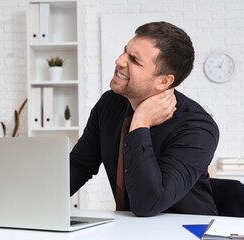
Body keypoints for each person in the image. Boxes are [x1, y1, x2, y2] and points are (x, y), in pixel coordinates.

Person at [70, 21, 219, 217]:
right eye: (125, 51)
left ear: (164, 81)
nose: (119, 61)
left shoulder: (197, 128)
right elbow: (80, 164)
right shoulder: (109, 104)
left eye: (134, 60)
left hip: (187, 231)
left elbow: (149, 203)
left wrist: (140, 122)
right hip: (132, 229)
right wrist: (34, 201)